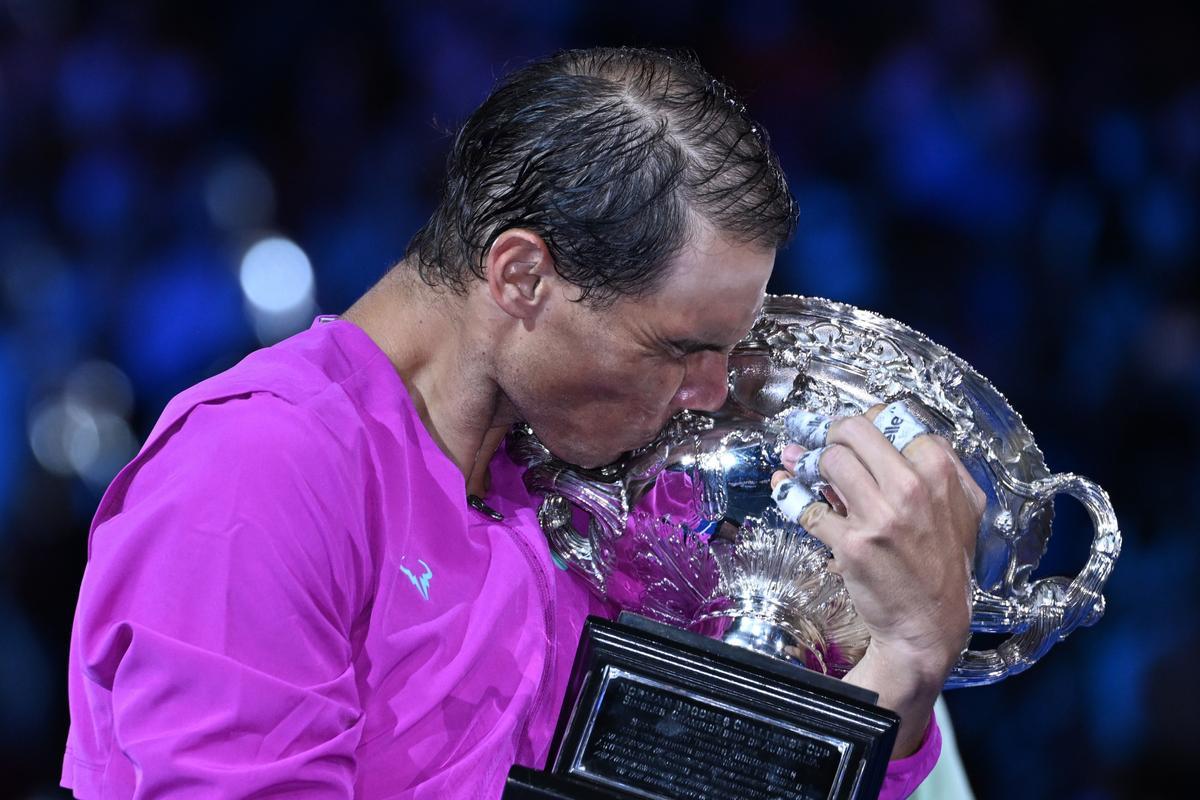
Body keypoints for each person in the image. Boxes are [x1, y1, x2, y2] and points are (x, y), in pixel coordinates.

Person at [61, 47, 983, 799]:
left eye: (727, 351)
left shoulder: (612, 493)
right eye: (678, 349)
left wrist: (901, 672)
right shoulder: (260, 470)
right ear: (521, 278)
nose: (710, 392)